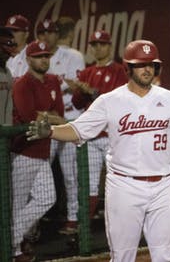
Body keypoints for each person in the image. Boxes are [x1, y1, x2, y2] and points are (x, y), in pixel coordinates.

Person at [26, 39, 170, 262]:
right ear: (128, 67)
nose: (147, 69)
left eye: (152, 64)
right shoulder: (110, 101)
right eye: (141, 64)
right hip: (124, 186)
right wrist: (51, 131)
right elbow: (78, 129)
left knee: (167, 256)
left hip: (164, 186)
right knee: (122, 257)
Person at [11, 40, 64, 262]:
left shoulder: (53, 81)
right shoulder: (23, 84)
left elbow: (60, 116)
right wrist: (46, 115)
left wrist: (46, 115)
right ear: (28, 59)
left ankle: (10, 237)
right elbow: (28, 117)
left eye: (46, 55)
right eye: (39, 56)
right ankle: (13, 250)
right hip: (23, 151)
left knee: (47, 198)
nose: (44, 59)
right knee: (17, 204)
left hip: (43, 151)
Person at [70, 30, 128, 224]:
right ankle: (83, 228)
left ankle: (127, 222)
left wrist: (93, 92)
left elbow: (119, 101)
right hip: (92, 138)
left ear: (109, 46)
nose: (97, 48)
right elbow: (77, 104)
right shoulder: (87, 72)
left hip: (113, 136)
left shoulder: (119, 70)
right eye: (94, 44)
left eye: (101, 44)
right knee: (89, 184)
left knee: (121, 181)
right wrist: (80, 91)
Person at [36, 18, 86, 234]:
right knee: (39, 171)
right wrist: (62, 85)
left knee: (70, 175)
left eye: (51, 32)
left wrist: (57, 84)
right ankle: (32, 225)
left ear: (57, 34)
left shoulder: (73, 56)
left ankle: (73, 219)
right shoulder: (38, 58)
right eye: (43, 33)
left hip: (72, 118)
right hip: (50, 119)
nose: (47, 36)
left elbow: (76, 87)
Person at [4, 14, 30, 79]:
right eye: (9, 31)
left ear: (26, 34)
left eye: (15, 31)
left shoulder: (33, 56)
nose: (11, 34)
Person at [0, 26, 16, 125]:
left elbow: (9, 108)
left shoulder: (8, 73)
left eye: (8, 53)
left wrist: (7, 132)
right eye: (3, 51)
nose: (7, 55)